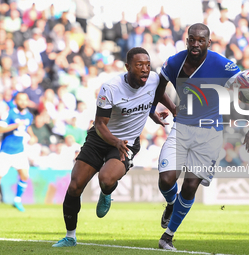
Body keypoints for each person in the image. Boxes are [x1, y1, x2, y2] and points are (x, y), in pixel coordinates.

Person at [150, 23, 249, 250]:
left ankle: (168, 236)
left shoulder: (222, 64)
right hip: (181, 129)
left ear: (208, 42)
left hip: (209, 133)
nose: (196, 44)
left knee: (191, 185)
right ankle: (171, 203)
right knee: (166, 179)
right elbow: (158, 89)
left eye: (201, 40)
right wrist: (170, 109)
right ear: (187, 40)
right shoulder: (174, 62)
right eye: (192, 39)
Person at [52, 47, 171, 247]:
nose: (145, 69)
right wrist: (115, 141)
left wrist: (157, 113)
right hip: (100, 138)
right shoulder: (111, 88)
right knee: (74, 186)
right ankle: (70, 236)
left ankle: (106, 193)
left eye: (147, 65)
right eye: (139, 65)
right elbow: (99, 124)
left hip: (127, 143)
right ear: (127, 67)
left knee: (106, 179)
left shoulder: (153, 79)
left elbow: (155, 96)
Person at [0, 92, 37, 213]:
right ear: (16, 101)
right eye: (21, 100)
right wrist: (15, 125)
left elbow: (27, 126)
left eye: (25, 100)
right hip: (7, 151)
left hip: (19, 151)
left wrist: (32, 135)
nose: (23, 102)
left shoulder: (29, 115)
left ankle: (17, 200)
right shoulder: (9, 113)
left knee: (24, 175)